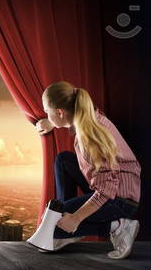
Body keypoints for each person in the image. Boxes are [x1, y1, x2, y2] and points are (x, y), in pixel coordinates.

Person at [35, 81, 141, 259]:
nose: (47, 114)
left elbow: (107, 188)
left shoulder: (87, 139)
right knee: (63, 161)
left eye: (47, 111)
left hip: (121, 200)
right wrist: (52, 122)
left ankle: (118, 227)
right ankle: (66, 225)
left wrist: (75, 219)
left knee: (53, 225)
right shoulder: (89, 114)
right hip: (124, 185)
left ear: (60, 112)